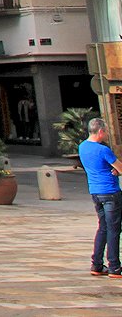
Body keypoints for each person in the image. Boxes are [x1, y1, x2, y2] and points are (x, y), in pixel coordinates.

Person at [81, 117, 122, 277]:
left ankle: (97, 264)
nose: (106, 136)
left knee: (103, 227)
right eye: (105, 132)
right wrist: (116, 170)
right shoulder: (103, 149)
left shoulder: (83, 147)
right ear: (101, 131)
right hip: (110, 191)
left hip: (95, 191)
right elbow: (119, 167)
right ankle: (114, 266)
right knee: (114, 229)